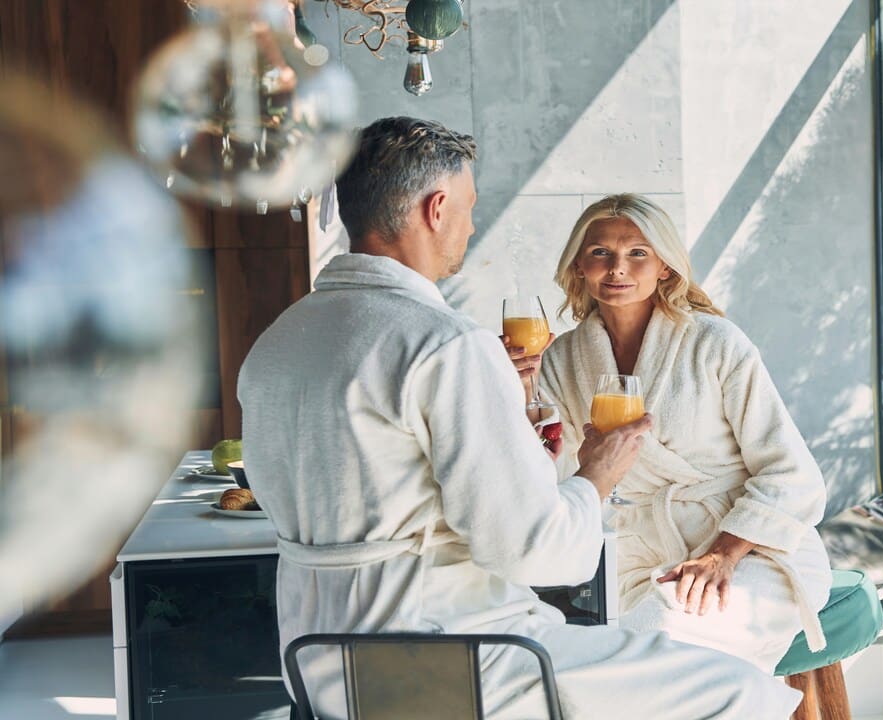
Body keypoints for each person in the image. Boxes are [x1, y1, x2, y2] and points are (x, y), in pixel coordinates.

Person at [238, 118, 802, 719]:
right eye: (471, 207)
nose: (472, 225)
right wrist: (599, 473)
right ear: (438, 208)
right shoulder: (445, 345)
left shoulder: (277, 342)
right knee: (741, 692)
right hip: (456, 660)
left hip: (320, 664)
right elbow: (539, 555)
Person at [531, 193, 833, 674]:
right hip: (633, 555)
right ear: (579, 266)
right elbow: (541, 471)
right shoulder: (562, 358)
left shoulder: (715, 342)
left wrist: (721, 556)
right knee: (575, 663)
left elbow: (793, 474)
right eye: (600, 252)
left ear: (665, 268)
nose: (617, 268)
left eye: (637, 253)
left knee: (647, 653)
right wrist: (517, 381)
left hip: (749, 549)